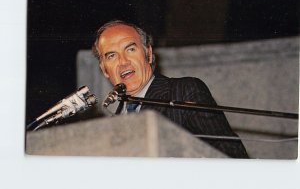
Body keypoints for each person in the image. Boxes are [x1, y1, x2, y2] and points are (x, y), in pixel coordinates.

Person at [92, 20, 249, 158]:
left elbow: (232, 155)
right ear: (105, 70)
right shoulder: (113, 123)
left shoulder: (184, 90)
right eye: (111, 56)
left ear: (149, 54)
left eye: (130, 49)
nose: (123, 61)